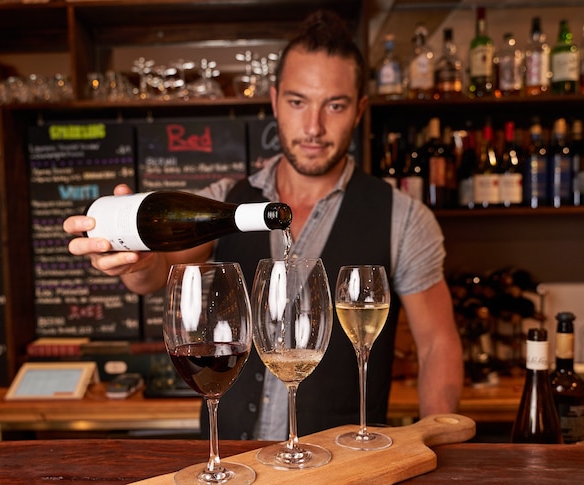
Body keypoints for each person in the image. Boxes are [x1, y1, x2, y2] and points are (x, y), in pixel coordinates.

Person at [64, 10, 463, 440]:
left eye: (335, 105)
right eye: (297, 102)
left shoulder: (404, 218)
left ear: (360, 109)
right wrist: (135, 261)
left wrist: (434, 442)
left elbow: (437, 344)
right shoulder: (223, 199)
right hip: (233, 462)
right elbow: (158, 271)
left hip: (344, 469)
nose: (313, 127)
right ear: (274, 100)